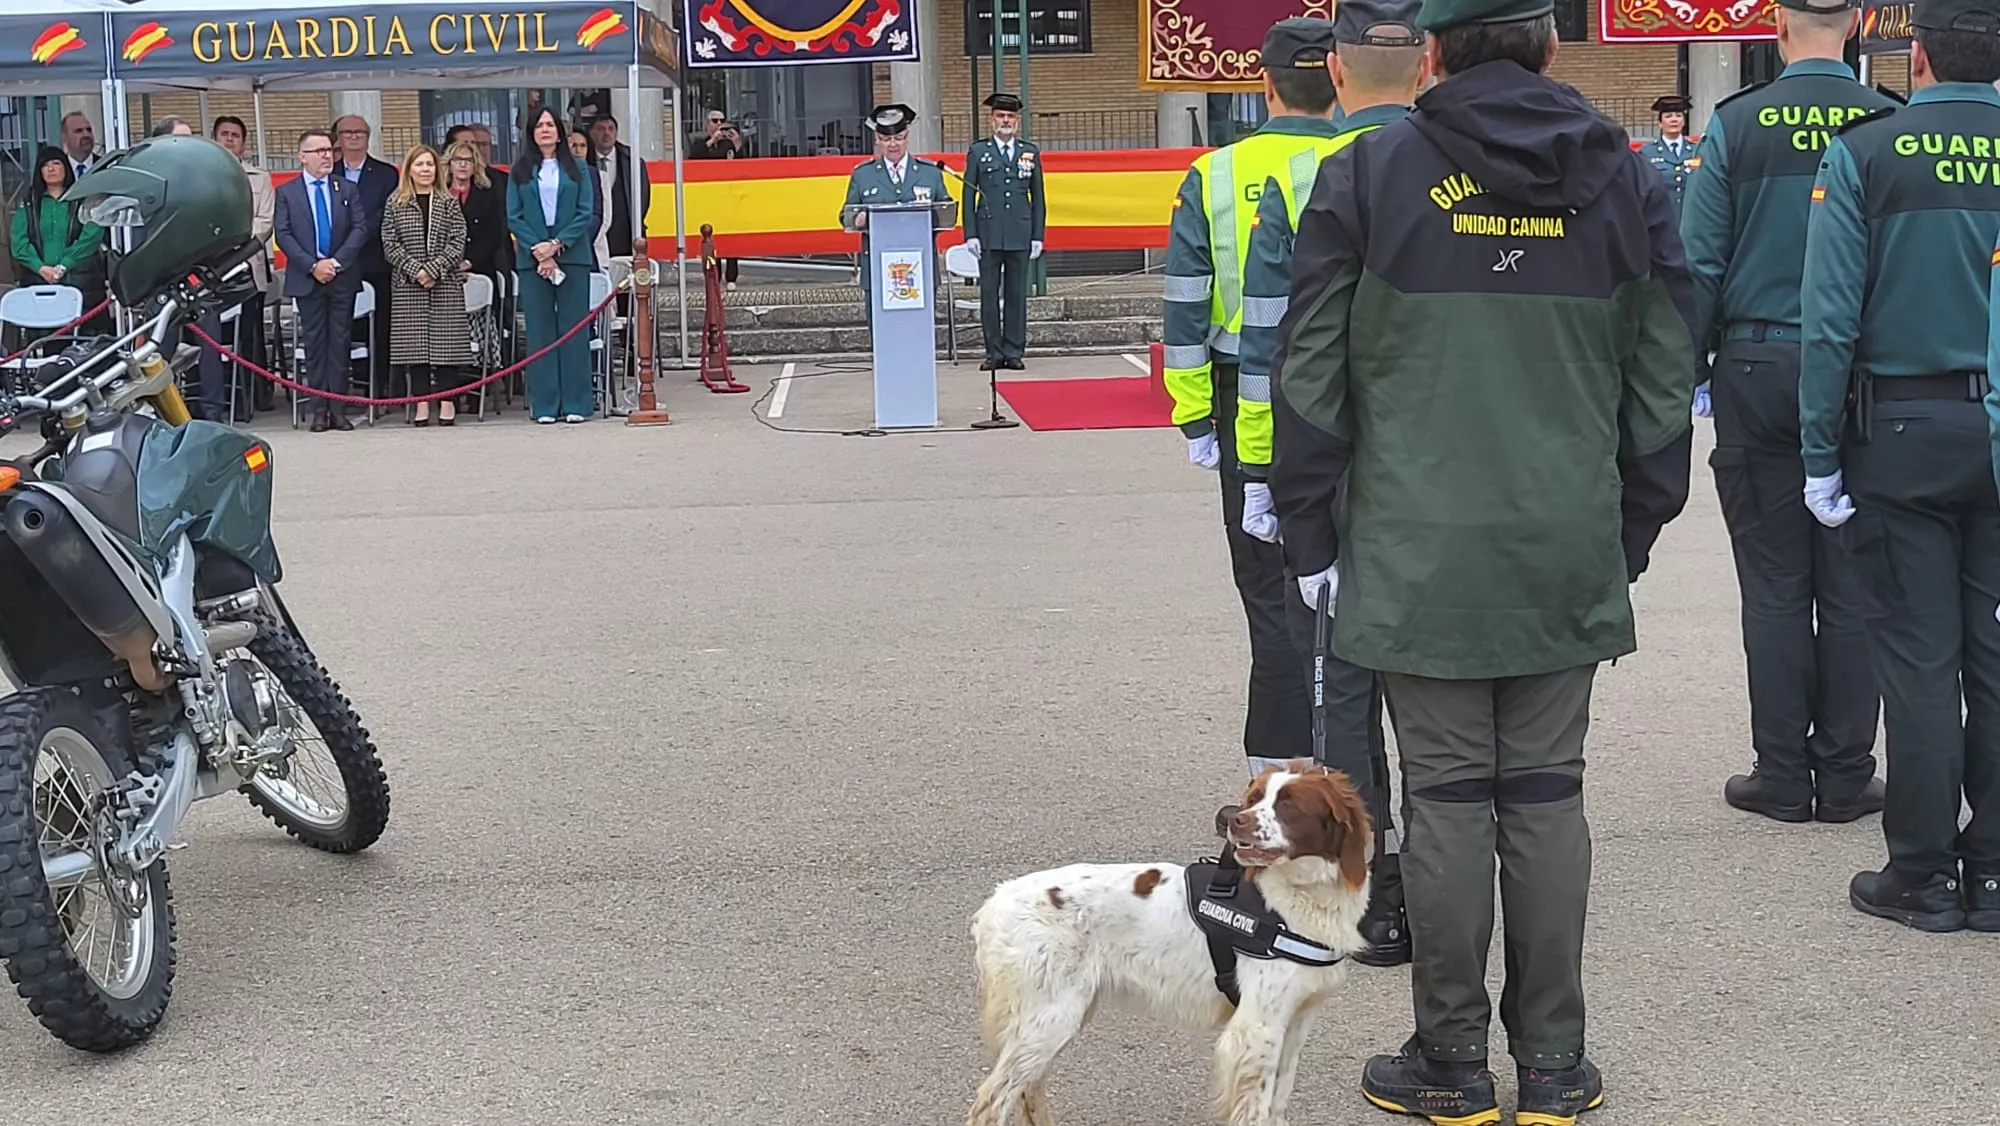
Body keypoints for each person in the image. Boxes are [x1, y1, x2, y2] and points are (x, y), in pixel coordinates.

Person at [1265, 0, 1696, 1116]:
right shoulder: (1625, 176)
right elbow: (1663, 365)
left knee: (1448, 798)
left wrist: (1309, 525)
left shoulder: (1368, 175)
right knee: (1547, 794)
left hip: (1416, 544)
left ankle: (1450, 1062)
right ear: (1550, 48)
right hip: (1565, 534)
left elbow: (1308, 367)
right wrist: (1635, 521)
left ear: (1430, 56)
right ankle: (1552, 1064)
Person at [1230, 0, 1433, 972]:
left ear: (1338, 75)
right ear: (1425, 66)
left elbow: (1279, 353)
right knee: (1444, 689)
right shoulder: (1477, 170)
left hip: (1345, 466)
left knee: (1341, 688)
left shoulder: (1300, 180)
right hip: (1447, 466)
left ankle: (1374, 895)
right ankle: (1448, 884)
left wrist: (1268, 479)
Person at [1802, 0, 2000, 934]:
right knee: (1993, 659)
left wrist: (1818, 450)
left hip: (1903, 429)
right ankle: (1993, 869)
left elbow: (1830, 318)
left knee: (1920, 659)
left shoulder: (1868, 152)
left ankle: (1921, 871)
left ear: (1916, 56)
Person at [1677, 0, 1893, 827]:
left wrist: (1691, 370)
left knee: (1772, 581)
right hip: (1861, 372)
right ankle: (1845, 772)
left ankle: (1780, 771)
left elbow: (1699, 263)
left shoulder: (1737, 123)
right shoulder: (1888, 121)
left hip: (1758, 362)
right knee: (1853, 581)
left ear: (1775, 29)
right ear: (1859, 24)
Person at [1160, 19, 1346, 799]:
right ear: (1339, 79)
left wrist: (1194, 416)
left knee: (1271, 596)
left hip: (1249, 395)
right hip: (1357, 389)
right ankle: (1363, 780)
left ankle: (1275, 783)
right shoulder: (1373, 156)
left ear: (1264, 85)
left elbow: (1185, 303)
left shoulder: (1215, 174)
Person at [506, 104, 599, 424]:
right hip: (532, 259)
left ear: (560, 132)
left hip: (571, 256)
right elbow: (514, 215)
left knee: (573, 330)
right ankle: (545, 404)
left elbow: (585, 212)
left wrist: (556, 245)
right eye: (539, 126)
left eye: (550, 125)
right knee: (540, 331)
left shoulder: (578, 168)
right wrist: (539, 250)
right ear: (531, 133)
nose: (545, 130)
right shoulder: (520, 170)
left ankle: (577, 403)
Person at [273, 127, 368, 433]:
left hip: (341, 277)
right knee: (315, 344)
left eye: (329, 150)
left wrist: (335, 263)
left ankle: (338, 409)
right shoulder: (287, 193)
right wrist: (313, 265)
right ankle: (318, 410)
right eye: (320, 151)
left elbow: (359, 229)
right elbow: (283, 234)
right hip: (307, 277)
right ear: (303, 156)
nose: (327, 156)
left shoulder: (346, 189)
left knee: (340, 342)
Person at [380, 143, 471, 427]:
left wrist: (432, 269)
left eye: (429, 164)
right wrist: (416, 270)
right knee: (415, 347)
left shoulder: (448, 202)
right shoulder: (395, 202)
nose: (425, 170)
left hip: (444, 282)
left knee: (446, 347)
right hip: (408, 284)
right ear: (409, 169)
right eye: (419, 164)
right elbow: (390, 244)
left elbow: (457, 241)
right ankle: (421, 403)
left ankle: (447, 402)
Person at [196, 114, 276, 421]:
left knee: (248, 337)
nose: (229, 140)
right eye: (224, 134)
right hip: (209, 270)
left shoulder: (259, 178)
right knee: (211, 338)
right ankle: (213, 400)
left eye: (235, 136)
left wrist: (234, 241)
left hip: (247, 266)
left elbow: (264, 222)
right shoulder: (200, 177)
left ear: (243, 144)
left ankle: (250, 398)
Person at [961, 91, 1047, 372]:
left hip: (1020, 232)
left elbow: (1038, 197)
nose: (1006, 121)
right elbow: (968, 194)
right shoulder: (978, 151)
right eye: (1000, 116)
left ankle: (1014, 351)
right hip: (988, 232)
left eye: (1010, 116)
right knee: (989, 295)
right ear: (992, 120)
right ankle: (993, 352)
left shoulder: (1029, 152)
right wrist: (970, 233)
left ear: (1017, 121)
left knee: (1016, 295)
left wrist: (1037, 235)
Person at [837, 104, 950, 315]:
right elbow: (846, 216)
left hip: (919, 265)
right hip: (878, 267)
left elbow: (945, 211)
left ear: (907, 137)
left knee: (919, 326)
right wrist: (858, 219)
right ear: (877, 140)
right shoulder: (863, 175)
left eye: (899, 138)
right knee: (880, 327)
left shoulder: (929, 173)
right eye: (886, 139)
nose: (893, 144)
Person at [1642, 94, 1698, 215]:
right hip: (1660, 217)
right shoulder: (1647, 153)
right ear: (1660, 123)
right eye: (1668, 116)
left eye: (1678, 116)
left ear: (1683, 121)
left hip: (1691, 216)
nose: (1674, 119)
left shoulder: (1697, 150)